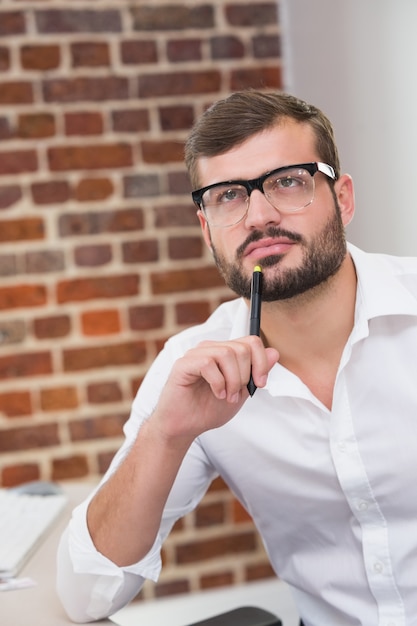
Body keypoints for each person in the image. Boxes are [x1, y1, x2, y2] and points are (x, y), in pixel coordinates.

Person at [57, 90, 417, 626]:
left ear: (341, 197)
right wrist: (166, 435)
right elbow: (86, 594)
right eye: (228, 196)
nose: (259, 215)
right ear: (207, 229)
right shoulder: (194, 368)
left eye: (289, 181)